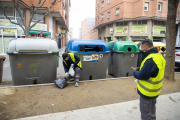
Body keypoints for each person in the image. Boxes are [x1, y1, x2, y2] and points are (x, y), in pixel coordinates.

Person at [132, 39, 166, 120]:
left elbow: (142, 75)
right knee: (152, 108)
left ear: (145, 47)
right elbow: (153, 70)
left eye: (141, 48)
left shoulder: (150, 59)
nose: (141, 49)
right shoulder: (159, 56)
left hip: (147, 92)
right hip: (155, 91)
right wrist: (140, 68)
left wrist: (135, 73)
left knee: (145, 112)